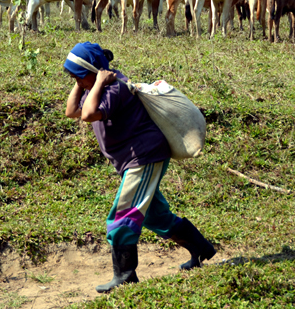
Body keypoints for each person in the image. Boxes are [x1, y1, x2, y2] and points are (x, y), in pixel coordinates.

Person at [63, 42, 215, 293]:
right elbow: (72, 111)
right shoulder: (94, 87)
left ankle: (125, 276)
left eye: (79, 76)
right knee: (156, 216)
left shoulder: (114, 88)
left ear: (96, 72)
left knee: (123, 213)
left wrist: (98, 82)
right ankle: (201, 248)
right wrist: (83, 83)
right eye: (73, 77)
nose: (76, 80)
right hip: (134, 160)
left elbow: (88, 115)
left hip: (144, 157)